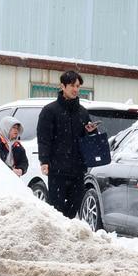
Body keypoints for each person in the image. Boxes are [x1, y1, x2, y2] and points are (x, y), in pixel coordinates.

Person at [36, 71, 99, 221]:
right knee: (56, 209)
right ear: (62, 86)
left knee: (73, 207)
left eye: (78, 86)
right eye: (72, 85)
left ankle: (67, 236)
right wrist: (44, 160)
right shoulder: (50, 111)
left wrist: (90, 132)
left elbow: (87, 141)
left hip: (77, 170)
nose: (76, 89)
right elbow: (44, 138)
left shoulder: (82, 112)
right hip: (57, 169)